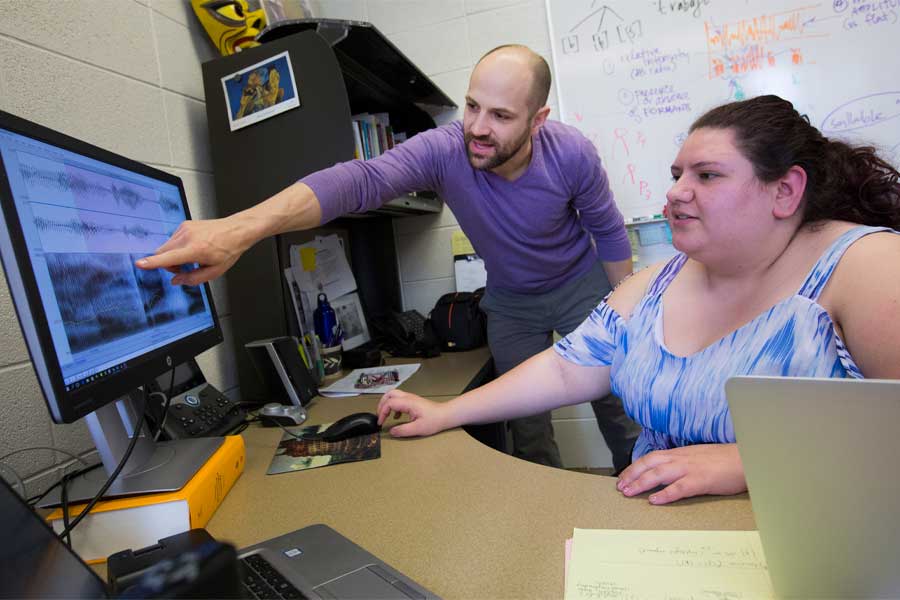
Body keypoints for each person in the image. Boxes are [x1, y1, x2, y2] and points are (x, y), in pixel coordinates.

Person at [375, 94, 900, 504]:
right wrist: (447, 412)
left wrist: (752, 463)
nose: (675, 192)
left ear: (785, 191)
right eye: (676, 176)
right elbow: (564, 370)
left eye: (707, 175)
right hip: (663, 537)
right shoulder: (656, 282)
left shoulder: (865, 266)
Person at [136, 45, 640, 470]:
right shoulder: (447, 149)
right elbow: (360, 180)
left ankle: (642, 501)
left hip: (582, 288)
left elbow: (609, 232)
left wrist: (628, 316)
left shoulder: (571, 153)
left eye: (502, 116)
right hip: (511, 300)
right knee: (526, 426)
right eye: (472, 106)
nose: (478, 128)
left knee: (618, 404)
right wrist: (240, 228)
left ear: (538, 119)